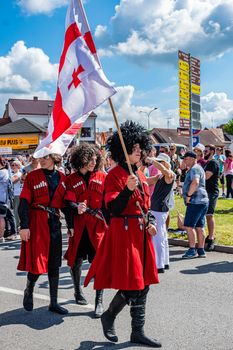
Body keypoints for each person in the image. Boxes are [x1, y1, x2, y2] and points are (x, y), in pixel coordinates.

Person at [84, 121, 161, 348]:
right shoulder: (114, 175)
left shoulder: (140, 174)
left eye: (140, 147)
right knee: (134, 284)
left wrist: (152, 222)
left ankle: (137, 331)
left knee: (144, 283)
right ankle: (109, 315)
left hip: (141, 233)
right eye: (134, 147)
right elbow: (113, 209)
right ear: (123, 149)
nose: (139, 151)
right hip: (123, 232)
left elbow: (147, 207)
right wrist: (127, 189)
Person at [17, 149, 68, 315]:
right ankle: (29, 289)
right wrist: (24, 226)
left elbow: (66, 204)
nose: (43, 160)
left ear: (54, 158)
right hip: (37, 222)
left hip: (54, 222)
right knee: (38, 263)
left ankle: (54, 302)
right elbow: (23, 202)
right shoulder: (33, 176)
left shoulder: (62, 178)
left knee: (55, 263)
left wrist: (72, 225)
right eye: (41, 157)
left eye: (46, 157)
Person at [64, 143, 107, 318]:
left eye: (95, 158)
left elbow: (108, 201)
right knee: (76, 261)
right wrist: (76, 209)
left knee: (98, 263)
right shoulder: (71, 180)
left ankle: (99, 301)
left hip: (97, 227)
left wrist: (103, 214)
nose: (93, 161)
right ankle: (77, 292)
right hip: (80, 227)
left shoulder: (103, 177)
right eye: (90, 158)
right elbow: (68, 202)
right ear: (81, 159)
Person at [147, 153, 175, 272]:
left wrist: (152, 161)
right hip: (157, 208)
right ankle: (164, 262)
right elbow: (146, 181)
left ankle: (159, 265)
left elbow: (166, 171)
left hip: (159, 209)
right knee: (162, 236)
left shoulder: (170, 174)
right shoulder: (160, 176)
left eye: (160, 162)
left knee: (158, 237)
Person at [181, 151, 209, 259]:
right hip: (202, 201)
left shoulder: (194, 169)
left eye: (186, 158)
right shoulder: (198, 167)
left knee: (189, 226)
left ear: (193, 158)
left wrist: (188, 195)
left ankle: (192, 250)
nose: (184, 161)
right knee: (199, 226)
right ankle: (201, 250)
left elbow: (196, 182)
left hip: (195, 201)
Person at [204, 144, 220, 251]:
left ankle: (211, 238)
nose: (204, 152)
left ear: (212, 151)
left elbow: (206, 176)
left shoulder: (213, 163)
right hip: (206, 192)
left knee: (209, 215)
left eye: (206, 151)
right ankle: (208, 235)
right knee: (206, 215)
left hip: (211, 192)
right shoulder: (208, 163)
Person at [0, 157, 10, 242]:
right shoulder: (6, 172)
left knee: (1, 218)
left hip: (1, 198)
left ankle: (1, 236)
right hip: (3, 198)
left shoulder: (2, 172)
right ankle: (1, 236)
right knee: (1, 217)